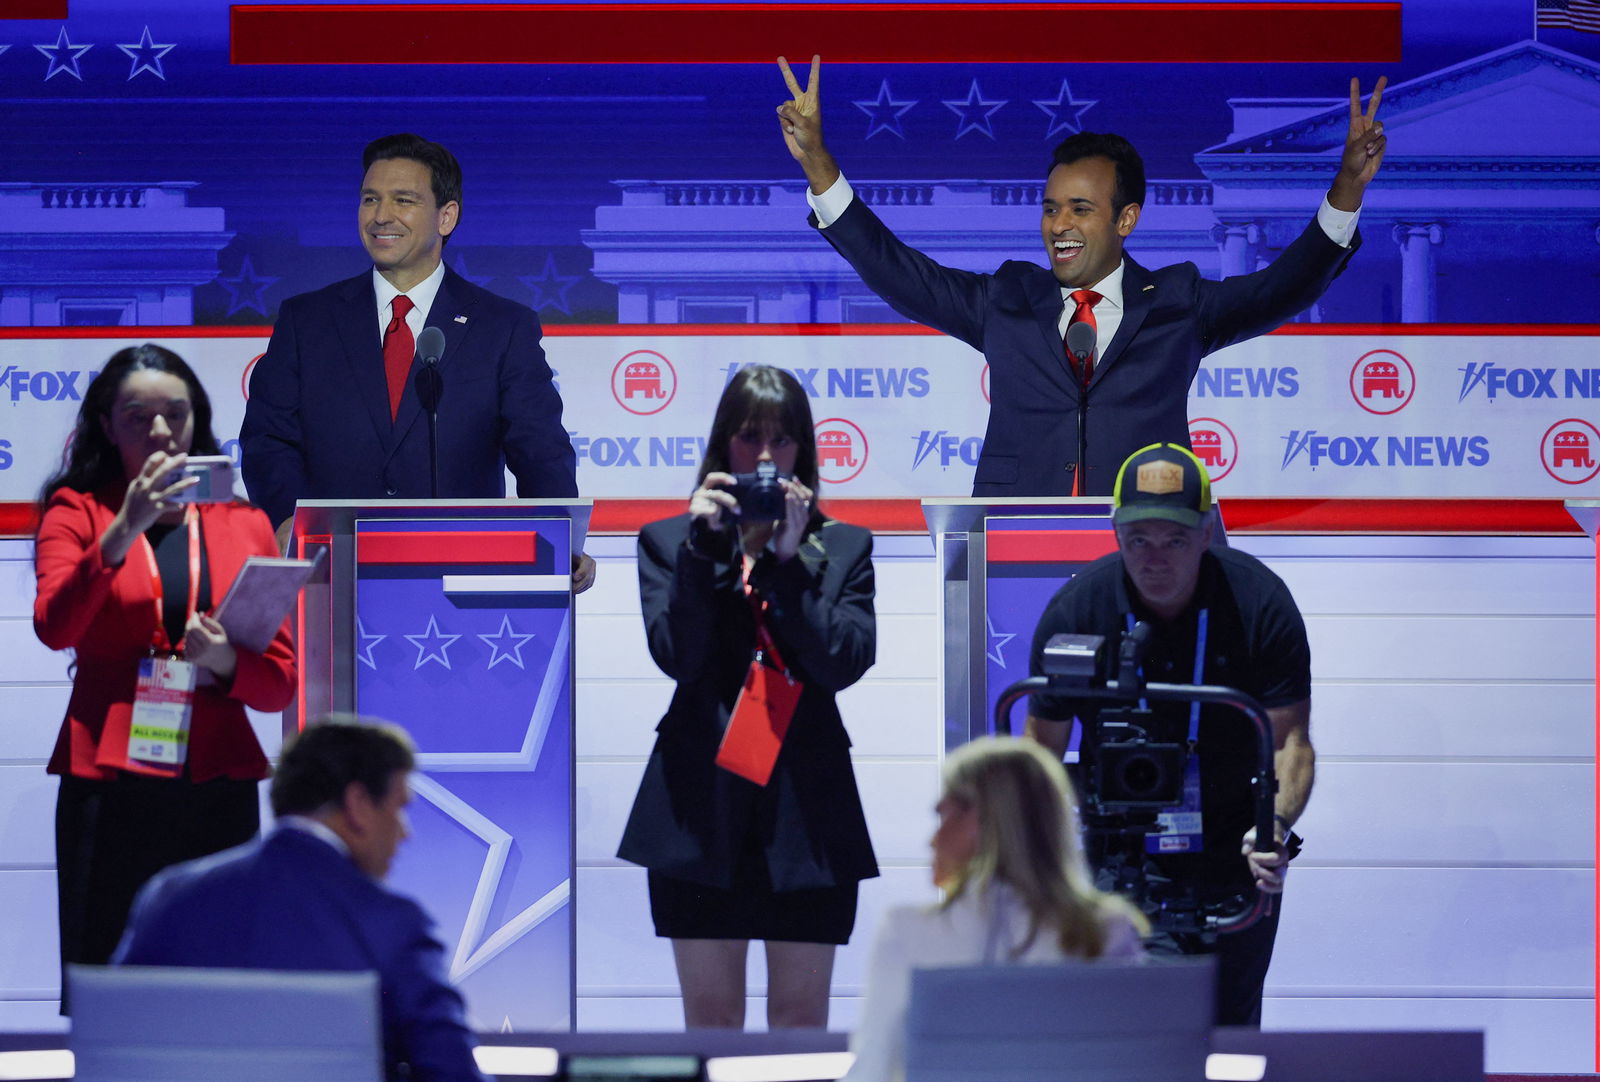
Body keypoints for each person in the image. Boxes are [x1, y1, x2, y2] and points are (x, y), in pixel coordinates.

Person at [776, 57, 1387, 497]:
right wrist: (822, 169)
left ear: (1127, 219)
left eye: (1080, 209)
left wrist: (1347, 190)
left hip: (1146, 540)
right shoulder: (1009, 298)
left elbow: (1284, 288)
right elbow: (903, 275)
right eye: (1050, 207)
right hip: (1014, 543)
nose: (1058, 224)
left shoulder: (1179, 302)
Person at [616, 364, 879, 1030]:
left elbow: (843, 662)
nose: (765, 457)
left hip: (806, 815)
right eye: (748, 438)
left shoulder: (843, 546)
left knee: (800, 1023)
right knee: (711, 1023)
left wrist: (788, 565)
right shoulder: (670, 542)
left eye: (782, 440)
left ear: (805, 451)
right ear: (721, 447)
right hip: (699, 809)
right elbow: (679, 654)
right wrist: (707, 551)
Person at [32, 344, 296, 1003]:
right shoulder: (77, 513)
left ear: (196, 422)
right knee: (109, 978)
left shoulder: (245, 524)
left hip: (216, 779)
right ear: (104, 424)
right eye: (137, 415)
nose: (159, 431)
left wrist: (226, 661)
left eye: (174, 415)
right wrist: (126, 528)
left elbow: (280, 685)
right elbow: (54, 626)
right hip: (109, 779)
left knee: (221, 978)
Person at [1024, 443, 1315, 1026]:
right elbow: (1038, 757)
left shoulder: (1261, 604)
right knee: (1117, 1033)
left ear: (1207, 533)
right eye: (1139, 541)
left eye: (1174, 540)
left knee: (1229, 1033)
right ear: (1114, 535)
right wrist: (1038, 859)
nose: (1155, 559)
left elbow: (1291, 746)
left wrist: (1274, 827)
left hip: (1236, 846)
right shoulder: (1077, 610)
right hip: (1117, 848)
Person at [239, 132, 593, 590]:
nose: (380, 216)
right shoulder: (307, 320)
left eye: (403, 200)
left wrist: (560, 536)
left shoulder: (502, 327)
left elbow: (538, 447)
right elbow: (269, 438)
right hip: (334, 575)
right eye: (370, 200)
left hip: (462, 576)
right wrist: (286, 519)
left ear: (446, 216)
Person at [114, 717, 485, 1082]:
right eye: (399, 807)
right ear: (356, 803)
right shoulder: (393, 923)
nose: (405, 834)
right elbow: (452, 1071)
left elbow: (116, 1046)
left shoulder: (167, 897)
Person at [844, 736, 1146, 1082]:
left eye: (942, 815)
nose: (932, 839)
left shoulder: (907, 930)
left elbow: (872, 1070)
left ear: (979, 819)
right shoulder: (1109, 929)